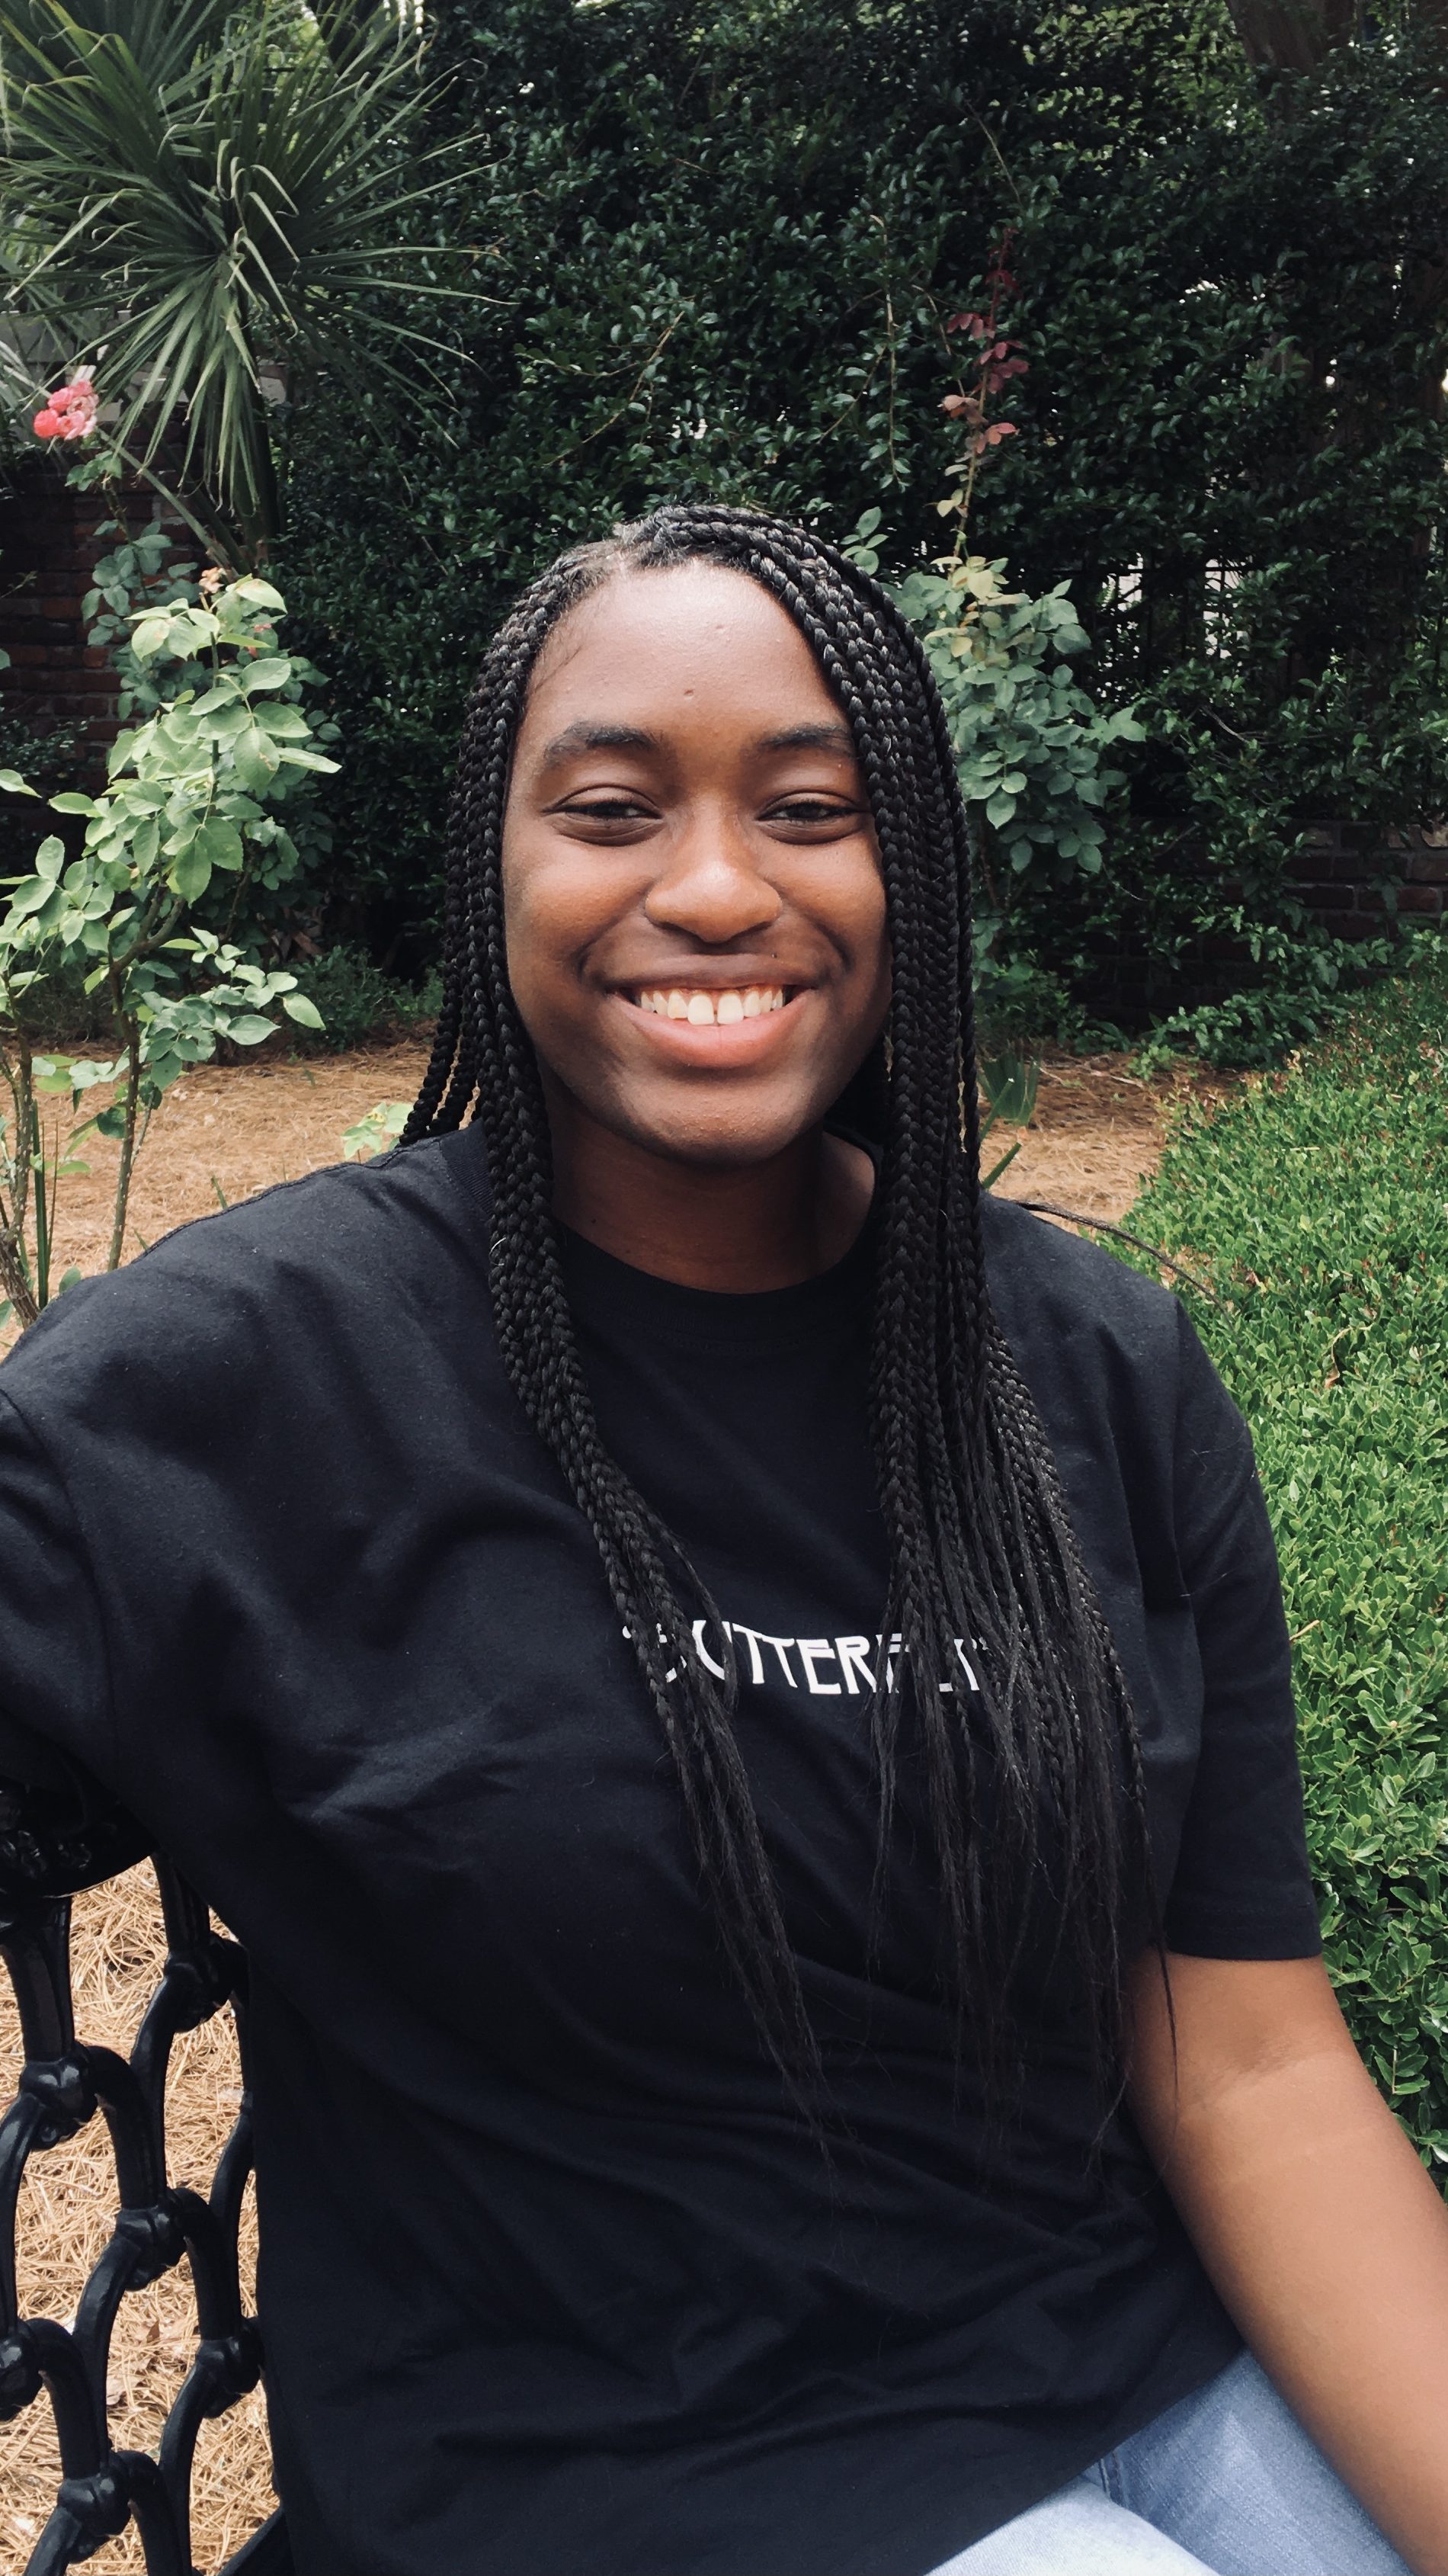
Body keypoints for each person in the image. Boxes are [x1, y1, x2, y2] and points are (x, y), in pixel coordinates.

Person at [0, 505, 1445, 2576]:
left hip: (1137, 2373)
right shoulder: (250, 1377)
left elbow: (1248, 2064)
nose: (709, 886)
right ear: (492, 864)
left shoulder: (1086, 1361)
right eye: (610, 810)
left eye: (809, 810)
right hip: (609, 2476)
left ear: (908, 867)